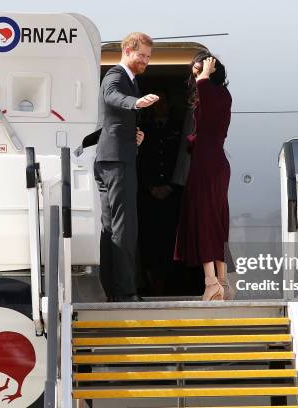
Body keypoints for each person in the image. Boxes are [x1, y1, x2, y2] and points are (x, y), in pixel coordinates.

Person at [94, 32, 159, 302]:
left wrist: (135, 134)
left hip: (110, 157)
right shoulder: (117, 76)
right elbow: (111, 96)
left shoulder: (129, 80)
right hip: (117, 162)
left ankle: (112, 289)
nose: (146, 61)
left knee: (110, 227)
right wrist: (135, 102)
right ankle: (125, 291)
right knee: (124, 226)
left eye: (148, 56)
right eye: (142, 55)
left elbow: (115, 118)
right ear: (128, 51)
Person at [174, 52, 232, 301]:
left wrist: (204, 75)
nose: (196, 75)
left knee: (204, 220)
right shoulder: (225, 95)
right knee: (217, 220)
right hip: (218, 161)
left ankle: (211, 282)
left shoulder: (207, 90)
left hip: (206, 163)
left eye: (200, 70)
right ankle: (223, 281)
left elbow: (204, 91)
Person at [137, 92, 183, 295]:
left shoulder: (178, 128)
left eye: (164, 102)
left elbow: (183, 159)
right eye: (157, 103)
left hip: (172, 193)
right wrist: (149, 187)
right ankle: (150, 281)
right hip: (149, 194)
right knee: (149, 237)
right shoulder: (143, 129)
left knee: (171, 238)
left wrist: (172, 186)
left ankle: (170, 282)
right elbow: (139, 161)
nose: (160, 107)